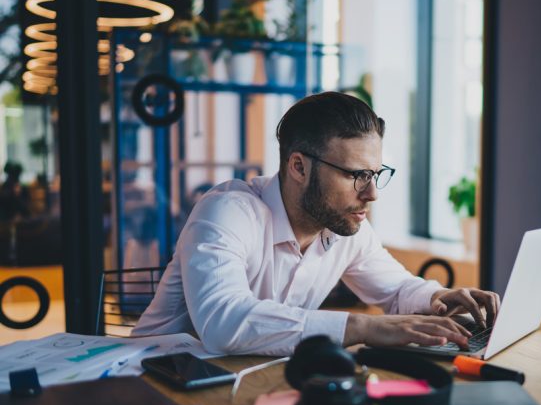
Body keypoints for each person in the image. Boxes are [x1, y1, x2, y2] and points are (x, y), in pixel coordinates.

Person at [133, 92, 499, 356]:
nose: (371, 194)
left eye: (375, 174)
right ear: (298, 167)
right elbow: (223, 323)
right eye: (356, 175)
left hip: (237, 385)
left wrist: (436, 298)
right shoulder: (228, 211)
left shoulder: (344, 225)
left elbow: (397, 289)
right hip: (149, 384)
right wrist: (361, 327)